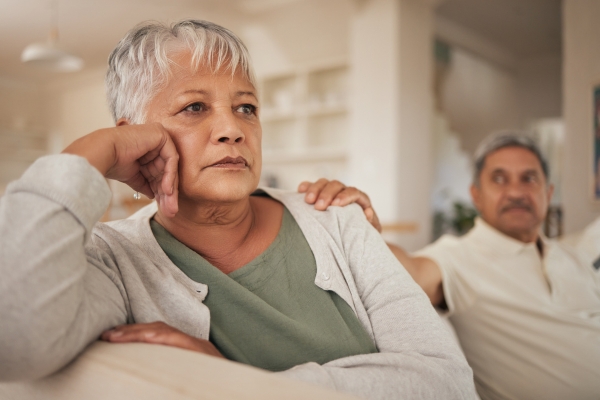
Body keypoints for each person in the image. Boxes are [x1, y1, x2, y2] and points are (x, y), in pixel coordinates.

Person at [0, 19, 477, 399]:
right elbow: (15, 341)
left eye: (246, 108)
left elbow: (449, 384)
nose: (233, 129)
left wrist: (234, 382)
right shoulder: (115, 260)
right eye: (194, 107)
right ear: (134, 135)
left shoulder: (337, 218)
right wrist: (89, 154)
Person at [301, 133, 600, 400]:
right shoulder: (457, 257)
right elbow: (410, 270)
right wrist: (355, 225)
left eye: (528, 179)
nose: (515, 192)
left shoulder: (574, 255)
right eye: (499, 179)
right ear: (476, 195)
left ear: (547, 194)